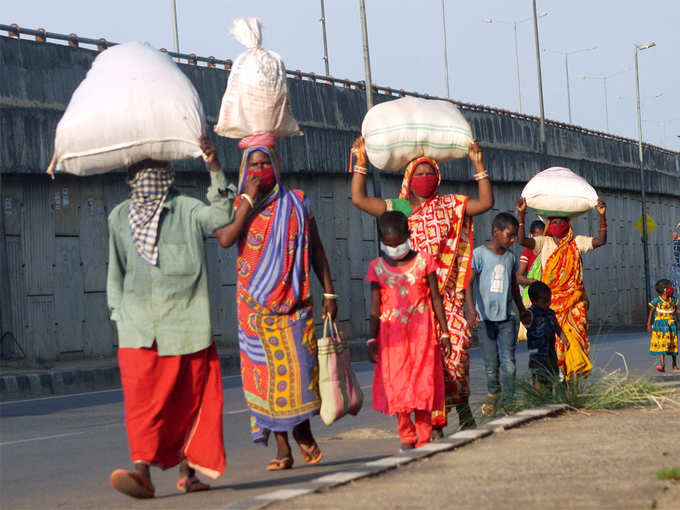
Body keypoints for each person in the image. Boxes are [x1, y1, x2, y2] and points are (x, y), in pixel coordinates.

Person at [107, 136, 237, 499]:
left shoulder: (188, 210)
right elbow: (115, 272)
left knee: (191, 402)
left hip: (186, 326)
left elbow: (222, 217)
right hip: (138, 331)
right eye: (139, 171)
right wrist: (118, 314)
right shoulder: (118, 218)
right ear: (131, 177)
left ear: (167, 174)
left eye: (155, 170)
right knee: (141, 406)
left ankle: (188, 473)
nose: (147, 178)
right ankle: (141, 473)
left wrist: (214, 168)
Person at [350, 136, 493, 435]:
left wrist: (478, 166)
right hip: (415, 300)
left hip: (449, 297)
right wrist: (360, 164)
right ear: (408, 178)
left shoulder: (450, 205)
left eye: (430, 174)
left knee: (456, 356)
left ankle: (462, 406)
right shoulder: (398, 207)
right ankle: (434, 421)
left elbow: (485, 203)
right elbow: (360, 200)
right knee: (426, 363)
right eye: (419, 173)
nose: (425, 179)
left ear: (438, 178)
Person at [215, 133, 337, 471]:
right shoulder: (238, 203)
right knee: (266, 382)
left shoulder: (298, 202)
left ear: (276, 165)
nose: (260, 169)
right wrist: (249, 200)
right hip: (254, 312)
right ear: (245, 170)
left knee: (299, 376)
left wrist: (329, 291)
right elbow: (226, 238)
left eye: (265, 163)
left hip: (295, 307)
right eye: (253, 165)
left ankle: (304, 435)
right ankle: (283, 449)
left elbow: (317, 249)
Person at [366, 211, 449, 450]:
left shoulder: (424, 261)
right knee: (398, 386)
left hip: (423, 336)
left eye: (399, 242)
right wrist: (372, 338)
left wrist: (444, 333)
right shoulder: (377, 268)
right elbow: (375, 306)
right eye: (389, 244)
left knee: (422, 386)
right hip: (392, 340)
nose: (395, 248)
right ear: (381, 241)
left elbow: (436, 298)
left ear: (408, 236)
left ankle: (424, 436)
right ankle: (406, 434)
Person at [516, 197, 607, 381]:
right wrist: (521, 214)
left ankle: (573, 389)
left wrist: (602, 216)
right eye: (554, 221)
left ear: (568, 223)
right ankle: (560, 383)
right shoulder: (544, 242)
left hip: (575, 303)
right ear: (549, 223)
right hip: (551, 303)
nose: (558, 225)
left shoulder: (577, 242)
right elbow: (522, 240)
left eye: (562, 221)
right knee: (555, 346)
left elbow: (600, 241)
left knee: (575, 342)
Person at [467, 213, 530, 416]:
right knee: (491, 364)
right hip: (486, 320)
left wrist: (521, 310)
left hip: (507, 319)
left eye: (514, 237)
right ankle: (493, 395)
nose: (512, 240)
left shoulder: (510, 257)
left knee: (508, 362)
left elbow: (513, 287)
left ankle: (509, 401)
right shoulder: (478, 254)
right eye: (509, 236)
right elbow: (468, 284)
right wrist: (471, 309)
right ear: (496, 232)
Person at [525, 281, 569, 390]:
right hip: (537, 353)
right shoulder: (530, 314)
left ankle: (548, 396)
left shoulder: (550, 313)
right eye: (544, 301)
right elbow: (523, 317)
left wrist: (564, 339)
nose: (548, 303)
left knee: (552, 375)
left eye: (549, 300)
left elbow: (557, 327)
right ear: (533, 300)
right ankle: (539, 397)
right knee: (539, 376)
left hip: (550, 352)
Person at [517, 220, 545, 342]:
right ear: (531, 236)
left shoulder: (550, 250)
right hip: (534, 295)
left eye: (543, 236)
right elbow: (519, 276)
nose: (540, 239)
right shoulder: (528, 251)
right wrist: (532, 281)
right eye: (537, 235)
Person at [647, 279, 679, 373]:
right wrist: (649, 324)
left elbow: (676, 309)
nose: (672, 289)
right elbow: (652, 311)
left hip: (671, 325)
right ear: (665, 289)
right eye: (670, 287)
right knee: (662, 345)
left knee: (673, 344)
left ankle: (674, 365)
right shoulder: (657, 301)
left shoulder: (672, 300)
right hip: (660, 327)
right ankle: (662, 365)